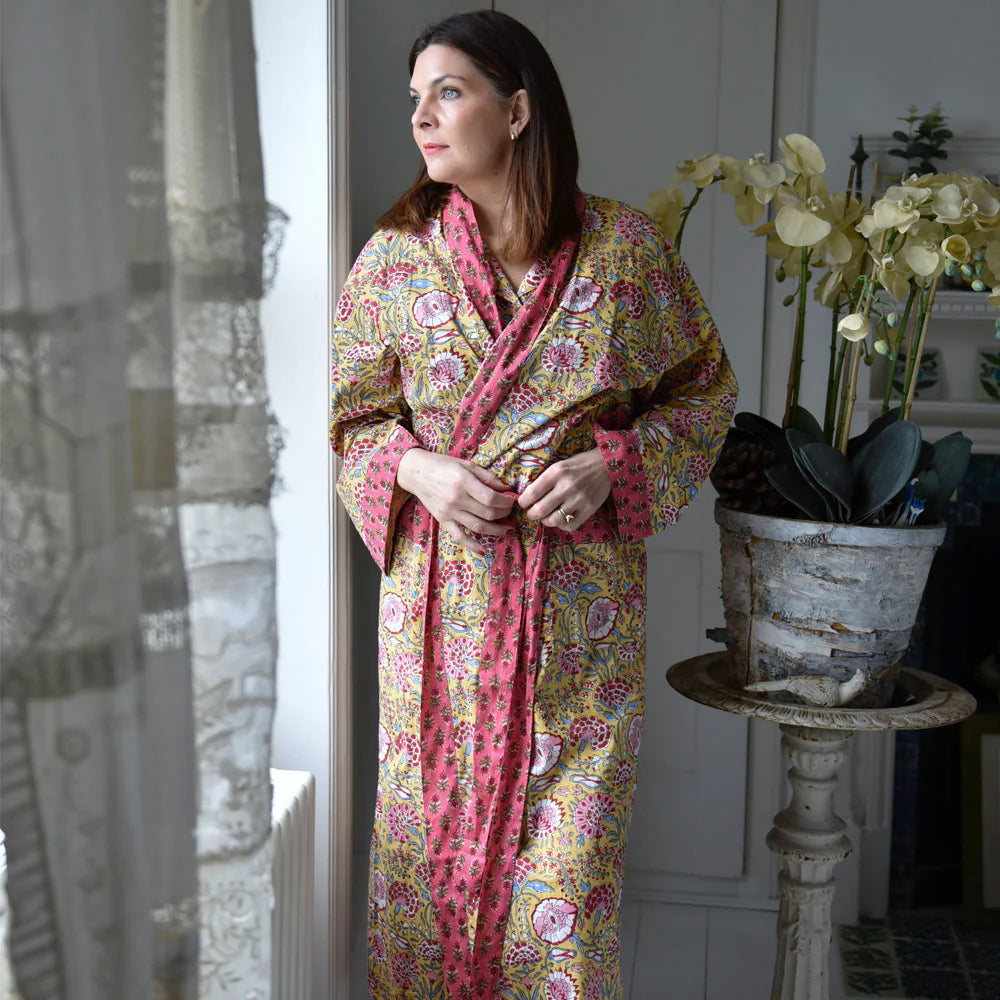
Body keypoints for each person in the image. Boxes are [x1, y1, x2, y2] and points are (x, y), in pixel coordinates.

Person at [329, 11, 737, 1000]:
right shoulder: (393, 260)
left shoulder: (626, 256)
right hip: (438, 639)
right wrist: (422, 471)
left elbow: (706, 393)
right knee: (423, 893)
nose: (423, 117)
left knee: (560, 917)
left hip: (578, 652)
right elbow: (352, 423)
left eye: (449, 92)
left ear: (517, 109)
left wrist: (615, 462)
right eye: (414, 99)